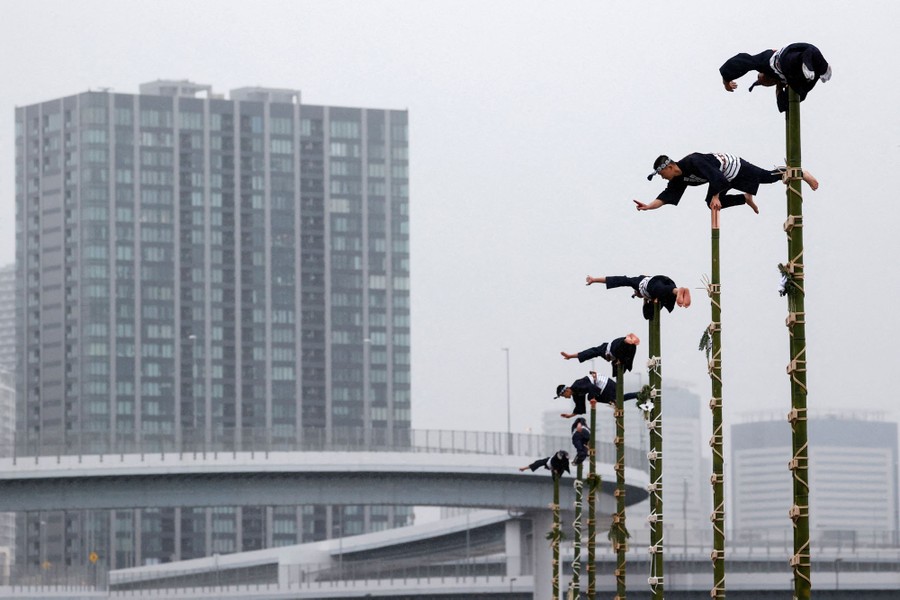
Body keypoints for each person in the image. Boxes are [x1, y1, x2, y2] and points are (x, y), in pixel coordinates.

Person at [635, 153, 818, 214]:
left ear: (671, 166)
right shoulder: (678, 178)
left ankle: (800, 172)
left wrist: (715, 195)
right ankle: (744, 199)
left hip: (733, 167)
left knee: (767, 177)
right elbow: (667, 196)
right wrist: (649, 206)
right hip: (722, 179)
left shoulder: (693, 161)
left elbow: (718, 178)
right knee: (711, 204)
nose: (661, 177)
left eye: (661, 173)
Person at [720, 43, 831, 113]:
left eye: (760, 77)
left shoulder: (763, 62)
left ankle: (806, 60)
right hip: (798, 74)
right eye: (763, 83)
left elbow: (743, 60)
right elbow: (783, 106)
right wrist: (779, 90)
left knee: (794, 60)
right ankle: (822, 69)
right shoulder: (785, 82)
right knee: (802, 88)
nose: (762, 80)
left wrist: (726, 80)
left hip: (791, 54)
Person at [585, 274, 691, 317]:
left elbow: (617, 280)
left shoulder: (636, 282)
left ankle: (678, 291)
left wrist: (594, 280)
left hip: (654, 283)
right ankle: (681, 295)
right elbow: (648, 315)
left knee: (661, 290)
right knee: (667, 296)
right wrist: (646, 300)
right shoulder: (653, 297)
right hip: (667, 282)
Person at [554, 372, 640, 417]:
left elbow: (591, 387)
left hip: (606, 384)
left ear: (567, 390)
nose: (565, 397)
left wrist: (592, 398)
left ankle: (637, 395)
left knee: (590, 397)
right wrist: (570, 416)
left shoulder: (577, 385)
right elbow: (579, 407)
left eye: (563, 395)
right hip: (603, 387)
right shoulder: (576, 394)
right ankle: (638, 395)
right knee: (619, 400)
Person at [560, 333, 639, 374]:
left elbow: (588, 353)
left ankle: (627, 341)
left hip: (616, 347)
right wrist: (570, 356)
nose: (607, 360)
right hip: (617, 347)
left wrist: (570, 356)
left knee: (622, 352)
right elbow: (587, 353)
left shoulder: (610, 350)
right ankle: (628, 341)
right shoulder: (614, 350)